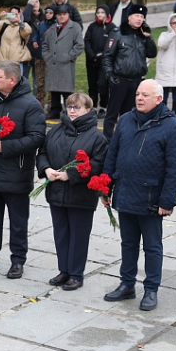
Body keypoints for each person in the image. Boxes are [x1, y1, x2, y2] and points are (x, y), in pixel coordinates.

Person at [102, 79, 176, 311]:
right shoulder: (127, 120)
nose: (139, 98)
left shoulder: (173, 128)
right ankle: (127, 284)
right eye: (138, 94)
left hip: (151, 199)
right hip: (126, 192)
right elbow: (113, 154)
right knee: (128, 244)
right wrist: (105, 186)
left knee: (152, 247)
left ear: (158, 99)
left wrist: (167, 200)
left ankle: (151, 289)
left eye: (145, 95)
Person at [0, 61, 46, 279]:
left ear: (11, 80)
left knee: (18, 222)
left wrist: (6, 147)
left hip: (16, 174)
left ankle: (17, 260)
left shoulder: (31, 105)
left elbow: (37, 137)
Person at [36, 92, 108, 290]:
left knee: (78, 235)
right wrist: (46, 169)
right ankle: (64, 270)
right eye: (69, 107)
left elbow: (97, 164)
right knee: (61, 233)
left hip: (80, 195)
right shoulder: (57, 130)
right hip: (57, 191)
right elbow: (43, 152)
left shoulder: (97, 137)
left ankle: (76, 273)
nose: (72, 111)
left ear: (88, 110)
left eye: (77, 107)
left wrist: (72, 175)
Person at [102, 4, 157, 141]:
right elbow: (108, 55)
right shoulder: (117, 33)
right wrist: (109, 74)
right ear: (129, 17)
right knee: (112, 113)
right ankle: (107, 139)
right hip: (120, 79)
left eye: (142, 17)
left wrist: (148, 37)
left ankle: (126, 138)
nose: (139, 19)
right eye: (136, 16)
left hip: (137, 80)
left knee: (131, 113)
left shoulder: (142, 35)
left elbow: (152, 53)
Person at [42, 5, 85, 120]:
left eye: (64, 14)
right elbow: (45, 45)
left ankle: (69, 110)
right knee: (54, 90)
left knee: (67, 90)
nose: (62, 17)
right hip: (53, 63)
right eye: (59, 15)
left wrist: (69, 56)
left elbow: (79, 45)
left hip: (66, 64)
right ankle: (55, 110)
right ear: (56, 16)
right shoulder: (52, 28)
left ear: (68, 15)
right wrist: (47, 57)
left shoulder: (74, 27)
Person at [84, 4, 114, 117]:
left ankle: (103, 106)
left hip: (104, 62)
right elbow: (86, 41)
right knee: (92, 85)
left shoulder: (111, 27)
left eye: (102, 13)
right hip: (91, 61)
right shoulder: (92, 26)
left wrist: (101, 55)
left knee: (103, 85)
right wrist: (92, 54)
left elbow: (111, 44)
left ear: (107, 14)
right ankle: (92, 106)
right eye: (98, 12)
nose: (100, 15)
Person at [0, 5, 32, 78]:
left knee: (17, 83)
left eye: (15, 14)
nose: (13, 16)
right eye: (11, 13)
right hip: (3, 61)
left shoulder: (23, 26)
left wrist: (19, 21)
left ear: (20, 15)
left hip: (16, 62)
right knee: (3, 83)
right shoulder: (4, 25)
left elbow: (27, 31)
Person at [32, 5, 57, 105]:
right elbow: (37, 35)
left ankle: (51, 105)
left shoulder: (57, 25)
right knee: (40, 83)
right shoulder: (42, 24)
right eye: (46, 12)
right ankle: (39, 104)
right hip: (40, 56)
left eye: (50, 13)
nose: (48, 15)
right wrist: (34, 41)